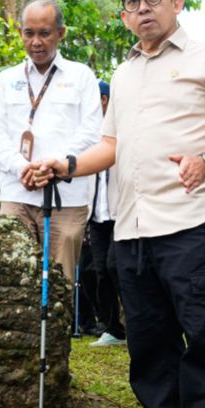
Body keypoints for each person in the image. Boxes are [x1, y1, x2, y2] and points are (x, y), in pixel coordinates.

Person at [25, 0, 205, 408]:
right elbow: (112, 146)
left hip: (193, 221)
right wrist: (67, 163)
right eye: (133, 1)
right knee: (148, 341)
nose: (143, 7)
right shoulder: (122, 75)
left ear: (177, 3)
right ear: (124, 16)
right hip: (133, 227)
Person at [0, 0, 102, 285]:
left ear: (60, 33)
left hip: (67, 197)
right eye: (29, 33)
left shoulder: (81, 77)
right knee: (14, 279)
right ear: (20, 33)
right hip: (16, 193)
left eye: (45, 33)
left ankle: (55, 333)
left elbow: (91, 131)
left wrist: (52, 166)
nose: (36, 42)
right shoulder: (5, 79)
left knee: (60, 281)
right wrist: (21, 168)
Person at [86, 80, 125, 348]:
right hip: (96, 215)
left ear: (104, 100)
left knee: (117, 267)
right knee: (100, 272)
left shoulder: (122, 130)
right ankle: (113, 329)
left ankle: (139, 323)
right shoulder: (88, 134)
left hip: (120, 211)